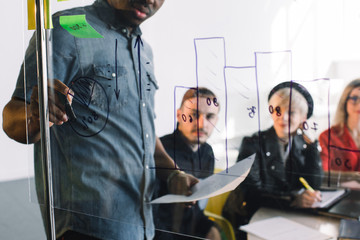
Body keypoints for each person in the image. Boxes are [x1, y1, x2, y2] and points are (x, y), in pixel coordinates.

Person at [2, 0, 198, 239]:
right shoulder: (67, 27)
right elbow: (13, 117)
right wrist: (36, 115)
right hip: (86, 230)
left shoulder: (143, 49)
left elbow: (143, 133)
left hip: (140, 227)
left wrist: (173, 174)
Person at [222, 81, 323, 239]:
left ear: (303, 118)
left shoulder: (301, 143)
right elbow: (253, 193)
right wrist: (293, 199)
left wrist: (312, 147)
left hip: (286, 218)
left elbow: (314, 184)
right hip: (251, 217)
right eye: (278, 110)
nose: (283, 117)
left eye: (291, 112)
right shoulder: (252, 143)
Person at [153, 87, 221, 240]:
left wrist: (208, 227)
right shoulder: (159, 153)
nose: (202, 124)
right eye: (194, 115)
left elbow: (197, 207)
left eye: (210, 116)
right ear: (179, 115)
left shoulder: (208, 153)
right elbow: (152, 215)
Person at [319, 79, 360, 172]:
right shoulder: (328, 137)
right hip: (338, 187)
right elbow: (323, 176)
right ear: (345, 102)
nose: (359, 105)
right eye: (354, 98)